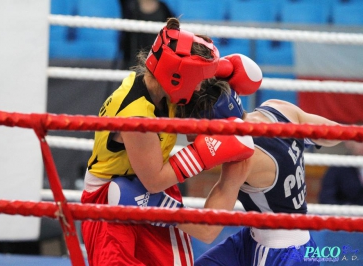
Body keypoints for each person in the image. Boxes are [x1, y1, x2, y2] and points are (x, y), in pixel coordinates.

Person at [80, 18, 262, 266]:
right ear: (178, 77)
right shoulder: (137, 118)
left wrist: (228, 69)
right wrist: (203, 153)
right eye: (197, 79)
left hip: (150, 184)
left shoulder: (165, 82)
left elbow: (198, 69)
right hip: (113, 197)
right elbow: (154, 180)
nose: (199, 87)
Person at [176, 77, 342, 266]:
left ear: (216, 125)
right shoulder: (279, 109)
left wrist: (162, 208)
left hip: (279, 254)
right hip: (255, 239)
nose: (190, 138)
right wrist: (301, 139)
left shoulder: (243, 158)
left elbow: (208, 230)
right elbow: (335, 133)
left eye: (194, 128)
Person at [119, 0, 174, 70]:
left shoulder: (164, 8)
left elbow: (173, 33)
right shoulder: (130, 6)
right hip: (133, 62)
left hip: (158, 62)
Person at [319, 140, 363, 205]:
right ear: (348, 143)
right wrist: (347, 210)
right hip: (346, 213)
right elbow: (326, 199)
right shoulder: (338, 166)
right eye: (359, 140)